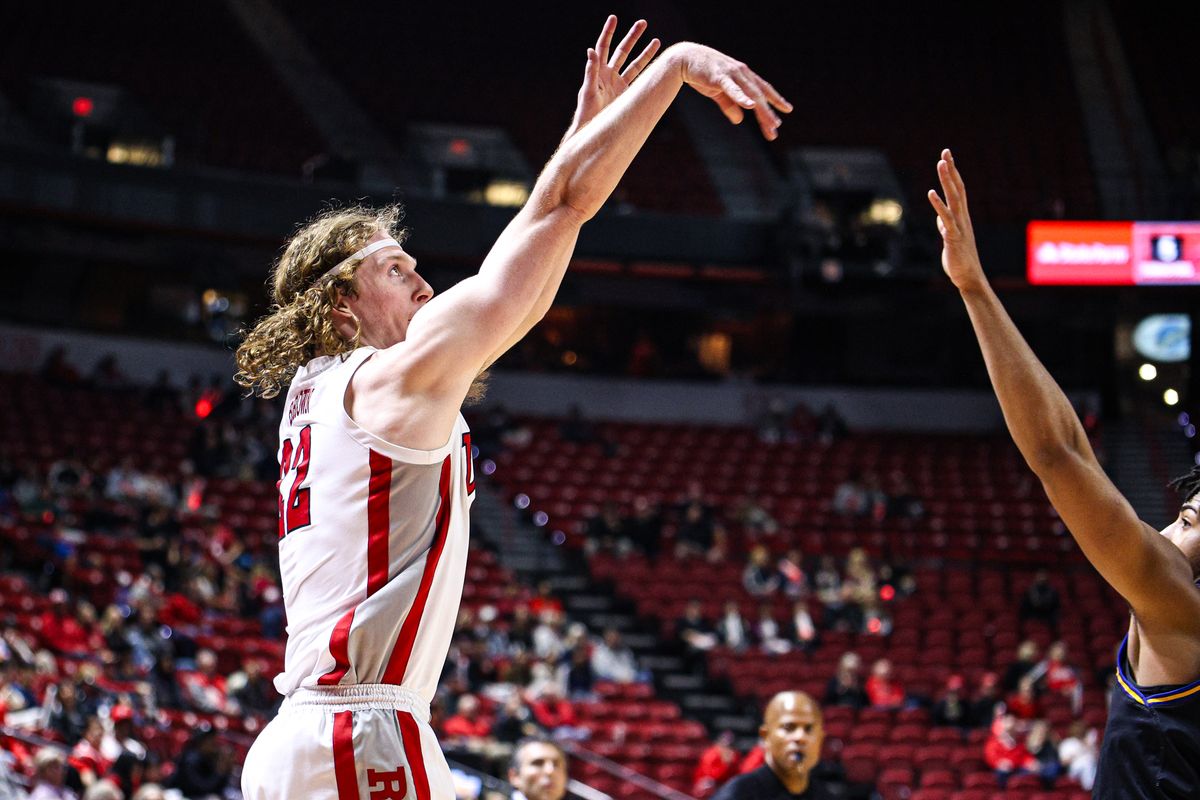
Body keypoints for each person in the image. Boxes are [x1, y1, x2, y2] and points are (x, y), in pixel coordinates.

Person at [236, 16, 789, 796]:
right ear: (340, 304)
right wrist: (675, 69)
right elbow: (559, 208)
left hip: (309, 735)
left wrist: (585, 129)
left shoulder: (319, 394)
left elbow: (551, 217)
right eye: (398, 270)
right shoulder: (389, 383)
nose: (425, 286)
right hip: (356, 732)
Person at [928, 148, 1200, 798]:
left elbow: (1059, 454)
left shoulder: (1180, 608)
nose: (1174, 531)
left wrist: (974, 288)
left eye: (1192, 523)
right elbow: (1073, 445)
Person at [711, 691, 831, 799]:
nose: (800, 737)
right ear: (765, 735)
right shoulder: (738, 793)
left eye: (809, 729)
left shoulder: (826, 796)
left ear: (820, 739)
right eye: (789, 727)